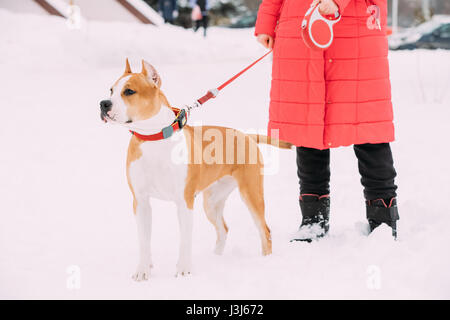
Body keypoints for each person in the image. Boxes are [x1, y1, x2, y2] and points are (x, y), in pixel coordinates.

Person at [255, 0, 400, 241]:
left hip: (353, 34)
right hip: (302, 31)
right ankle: (313, 220)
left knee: (367, 127)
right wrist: (266, 24)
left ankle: (383, 220)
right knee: (309, 128)